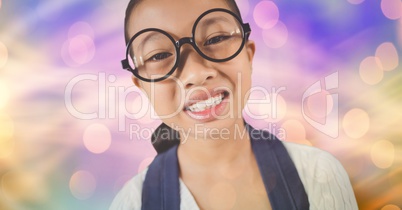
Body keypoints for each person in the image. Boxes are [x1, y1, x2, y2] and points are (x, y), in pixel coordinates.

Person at [110, 0, 358, 209]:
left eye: (216, 38)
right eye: (159, 55)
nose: (195, 73)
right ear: (141, 85)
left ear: (248, 55)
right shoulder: (132, 204)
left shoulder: (318, 174)